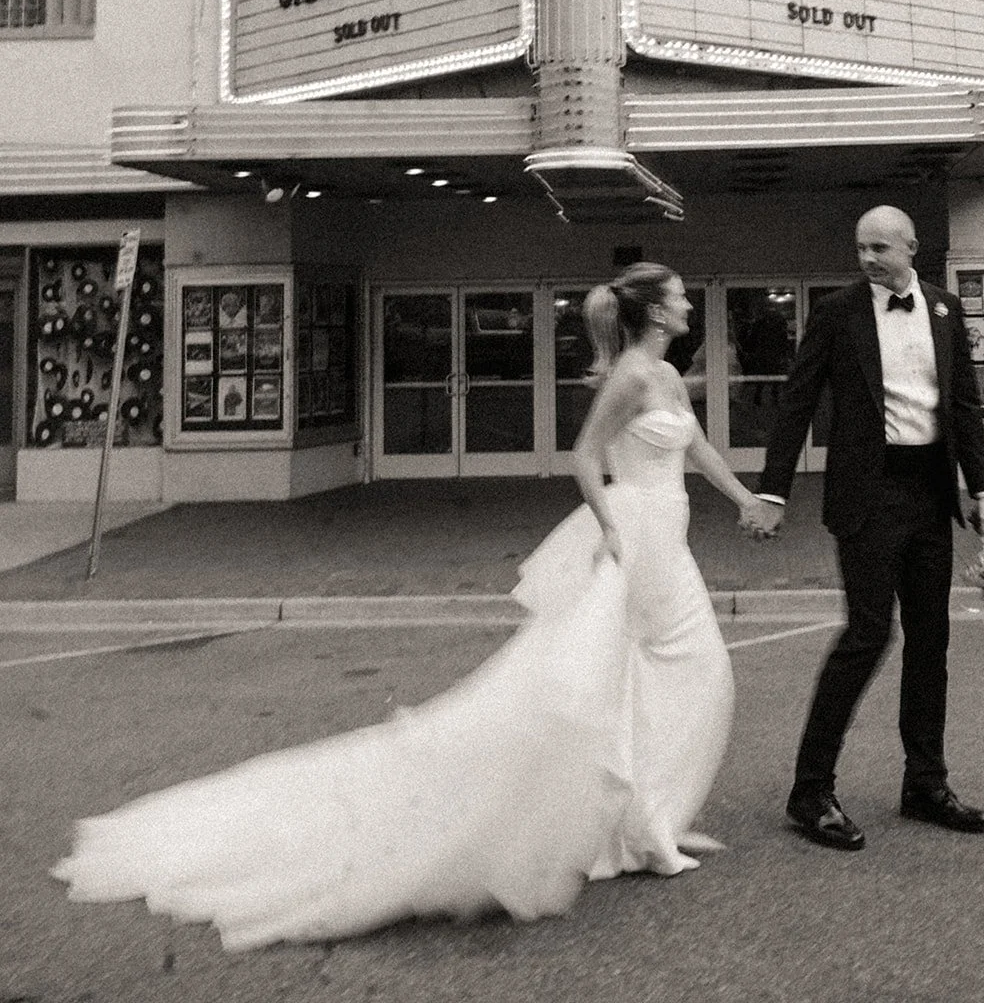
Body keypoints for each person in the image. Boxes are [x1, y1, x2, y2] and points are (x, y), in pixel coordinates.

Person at [53, 262, 771, 950]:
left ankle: (646, 819)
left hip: (669, 541)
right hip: (631, 540)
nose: (686, 305)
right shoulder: (628, 377)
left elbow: (699, 448)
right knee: (602, 685)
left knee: (690, 672)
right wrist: (610, 526)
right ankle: (637, 826)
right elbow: (585, 454)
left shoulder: (670, 375)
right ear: (653, 311)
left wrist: (746, 500)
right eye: (677, 297)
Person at [750, 206, 984, 851]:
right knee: (867, 635)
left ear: (910, 248)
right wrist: (773, 489)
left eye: (880, 248)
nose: (867, 258)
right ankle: (811, 792)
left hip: (929, 495)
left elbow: (965, 407)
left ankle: (925, 784)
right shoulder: (838, 313)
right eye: (861, 248)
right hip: (868, 495)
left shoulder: (946, 310)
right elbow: (799, 398)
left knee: (930, 641)